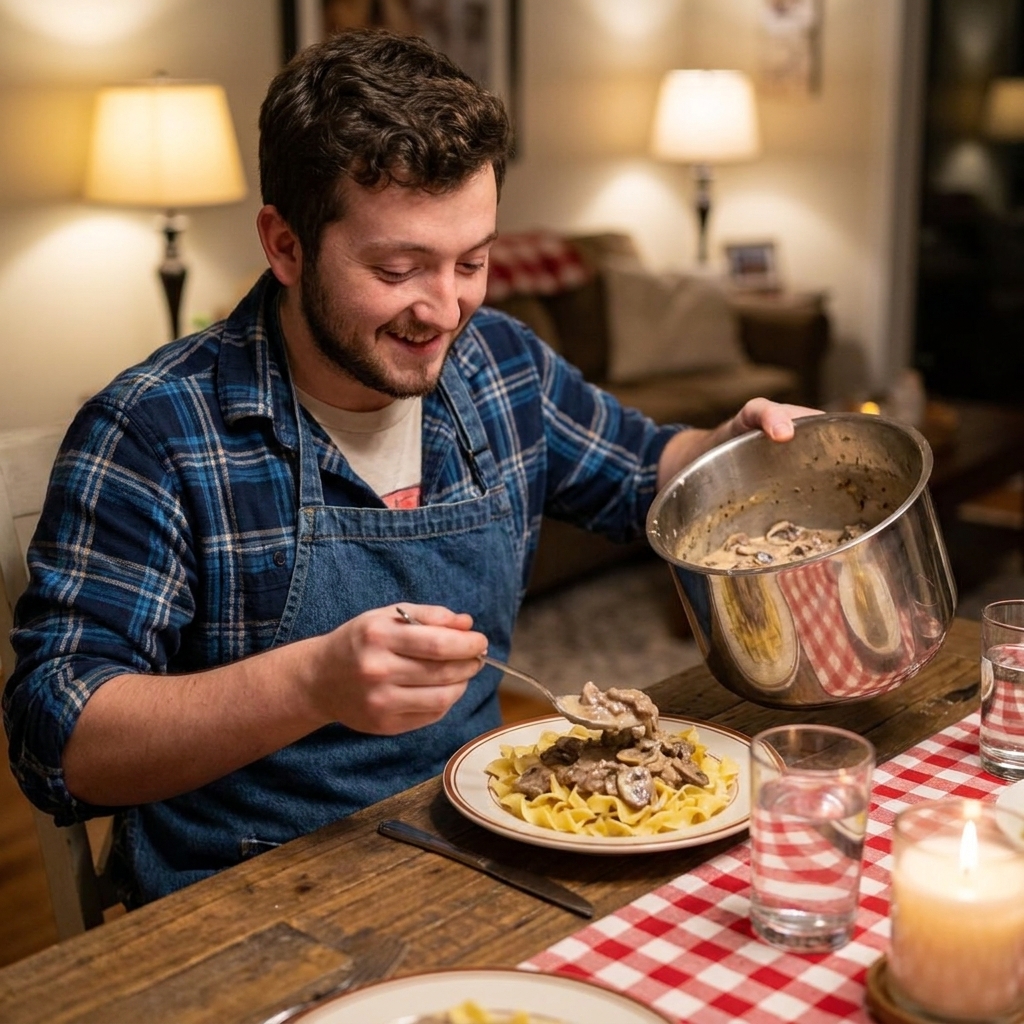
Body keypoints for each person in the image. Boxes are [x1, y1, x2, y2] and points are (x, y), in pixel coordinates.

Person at [3, 29, 812, 907]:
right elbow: (59, 740)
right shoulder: (155, 430)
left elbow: (645, 474)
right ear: (284, 245)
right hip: (240, 897)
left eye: (471, 261)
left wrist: (730, 447)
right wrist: (312, 682)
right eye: (397, 268)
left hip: (474, 846)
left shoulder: (499, 366)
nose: (444, 309)